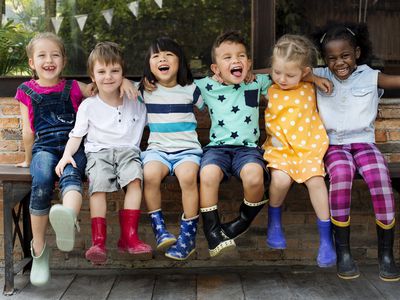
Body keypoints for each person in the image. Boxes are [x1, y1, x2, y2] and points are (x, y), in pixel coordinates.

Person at [312, 22, 400, 281]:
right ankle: (344, 253)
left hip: (364, 143)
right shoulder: (319, 75)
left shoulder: (371, 76)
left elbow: (396, 80)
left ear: (357, 53)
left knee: (380, 178)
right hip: (334, 146)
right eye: (332, 58)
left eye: (345, 55)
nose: (339, 62)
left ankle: (386, 254)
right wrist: (312, 77)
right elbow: (283, 71)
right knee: (341, 175)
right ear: (325, 60)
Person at [55, 41, 151, 266]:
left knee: (135, 180)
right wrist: (67, 155)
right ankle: (98, 241)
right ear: (92, 76)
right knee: (97, 187)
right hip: (99, 153)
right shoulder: (89, 105)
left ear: (123, 73)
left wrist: (129, 83)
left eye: (115, 71)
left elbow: (155, 84)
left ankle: (129, 237)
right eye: (102, 71)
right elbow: (76, 135)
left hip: (128, 152)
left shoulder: (136, 98)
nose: (108, 76)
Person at [15, 32, 95, 287]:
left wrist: (125, 83)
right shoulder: (25, 91)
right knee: (41, 181)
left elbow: (101, 90)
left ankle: (67, 218)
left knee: (72, 175)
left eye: (55, 55)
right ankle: (39, 250)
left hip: (73, 147)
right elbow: (28, 130)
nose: (49, 60)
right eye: (42, 55)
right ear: (31, 63)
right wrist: (28, 160)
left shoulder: (75, 87)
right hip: (45, 148)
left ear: (64, 60)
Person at [194, 30, 273, 257]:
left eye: (240, 56)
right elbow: (175, 83)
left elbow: (286, 71)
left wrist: (314, 77)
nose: (235, 60)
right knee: (207, 175)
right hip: (217, 149)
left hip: (247, 150)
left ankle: (241, 222)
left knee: (254, 178)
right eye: (227, 57)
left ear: (248, 63)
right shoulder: (206, 86)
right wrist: (144, 84)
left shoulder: (257, 82)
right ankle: (213, 234)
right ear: (215, 68)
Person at [262, 34, 336, 268]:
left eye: (290, 74)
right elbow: (249, 72)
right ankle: (274, 222)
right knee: (280, 180)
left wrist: (313, 78)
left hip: (308, 149)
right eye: (277, 72)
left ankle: (326, 240)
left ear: (304, 72)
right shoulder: (267, 87)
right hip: (281, 150)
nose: (282, 79)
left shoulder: (309, 86)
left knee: (317, 182)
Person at [139, 37, 204, 260]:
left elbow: (215, 99)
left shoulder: (191, 89)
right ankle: (160, 230)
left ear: (180, 62)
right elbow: (116, 86)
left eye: (169, 54)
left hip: (187, 150)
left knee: (188, 177)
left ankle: (187, 238)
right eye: (155, 56)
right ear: (149, 65)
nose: (162, 59)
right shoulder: (144, 91)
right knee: (149, 174)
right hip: (157, 150)